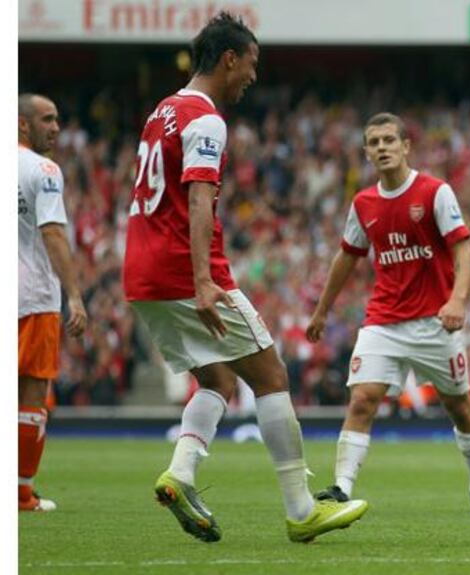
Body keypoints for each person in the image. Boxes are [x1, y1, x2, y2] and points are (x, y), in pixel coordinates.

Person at [121, 12, 367, 544]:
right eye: (251, 64)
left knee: (218, 380)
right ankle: (302, 510)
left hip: (141, 275)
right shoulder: (207, 120)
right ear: (228, 59)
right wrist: (204, 280)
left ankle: (181, 473)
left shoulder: (162, 110)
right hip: (186, 273)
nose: (253, 76)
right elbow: (199, 198)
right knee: (272, 376)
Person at [306, 112, 470, 516]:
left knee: (458, 406)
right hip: (383, 321)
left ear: (406, 146)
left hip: (434, 321)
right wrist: (322, 311)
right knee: (362, 400)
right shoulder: (364, 204)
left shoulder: (435, 192)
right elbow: (346, 257)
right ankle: (340, 488)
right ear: (366, 152)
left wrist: (457, 300)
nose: (382, 148)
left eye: (389, 140)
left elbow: (463, 250)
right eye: (374, 143)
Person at [18, 93, 88, 512]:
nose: (56, 128)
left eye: (58, 119)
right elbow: (53, 233)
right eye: (47, 119)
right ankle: (21, 493)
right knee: (32, 392)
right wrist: (75, 295)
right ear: (22, 125)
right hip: (33, 296)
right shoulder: (43, 170)